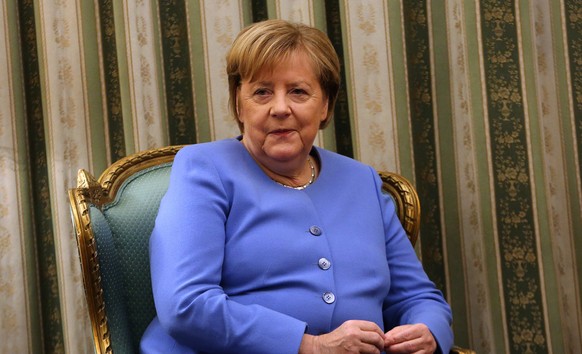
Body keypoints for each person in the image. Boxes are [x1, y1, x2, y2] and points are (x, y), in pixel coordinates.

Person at [140, 19, 453, 354]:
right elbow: (185, 304)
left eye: (298, 92)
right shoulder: (204, 169)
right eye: (261, 92)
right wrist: (311, 346)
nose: (280, 108)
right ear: (238, 103)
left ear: (326, 106)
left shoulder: (361, 181)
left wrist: (428, 332)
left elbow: (417, 296)